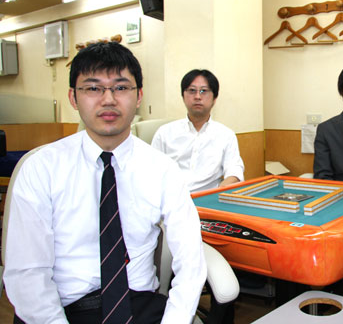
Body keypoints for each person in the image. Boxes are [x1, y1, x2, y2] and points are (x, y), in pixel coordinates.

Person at [3, 42, 206, 324]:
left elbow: (191, 259)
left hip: (139, 304)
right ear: (73, 97)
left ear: (138, 96)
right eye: (93, 88)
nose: (108, 99)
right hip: (63, 307)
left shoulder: (162, 169)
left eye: (121, 87)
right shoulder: (41, 169)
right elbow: (28, 272)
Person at [152, 69, 244, 192]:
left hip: (208, 198)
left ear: (214, 98)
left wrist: (220, 190)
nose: (197, 97)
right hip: (171, 198)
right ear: (183, 96)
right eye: (192, 91)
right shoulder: (164, 133)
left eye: (203, 91)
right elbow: (152, 170)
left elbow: (234, 171)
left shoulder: (226, 135)